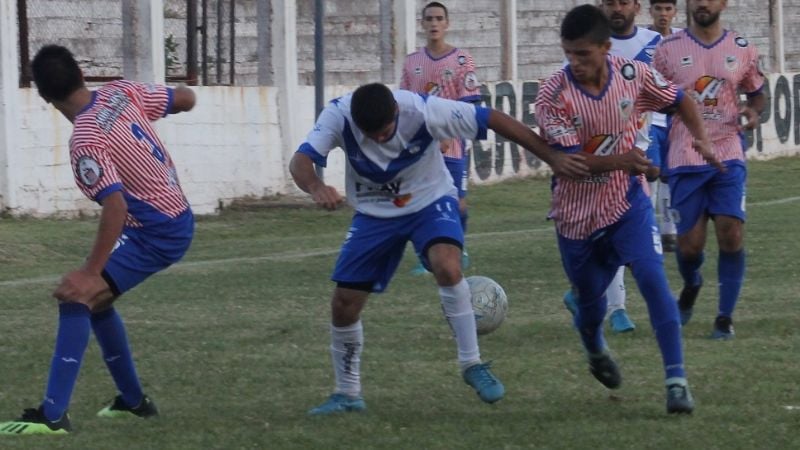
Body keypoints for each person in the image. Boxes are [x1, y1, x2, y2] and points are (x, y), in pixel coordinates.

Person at [291, 82, 588, 415]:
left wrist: (552, 157)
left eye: (384, 132)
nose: (377, 141)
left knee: (447, 264)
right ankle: (347, 394)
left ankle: (471, 363)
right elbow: (300, 160)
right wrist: (315, 185)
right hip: (375, 210)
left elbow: (492, 118)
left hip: (430, 199)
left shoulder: (424, 110)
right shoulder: (338, 114)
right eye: (368, 135)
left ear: (396, 113)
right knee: (344, 303)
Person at [0, 45, 196, 435]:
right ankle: (134, 403)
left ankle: (52, 417)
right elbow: (187, 99)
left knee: (78, 293)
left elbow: (115, 206)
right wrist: (172, 99)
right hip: (173, 216)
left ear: (43, 96)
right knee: (99, 300)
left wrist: (90, 271)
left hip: (155, 229)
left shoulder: (86, 140)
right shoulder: (120, 92)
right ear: (81, 72)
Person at [535, 4, 722, 413]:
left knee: (653, 277)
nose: (575, 63)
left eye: (583, 54)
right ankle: (595, 346)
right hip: (576, 219)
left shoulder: (632, 75)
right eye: (569, 54)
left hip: (626, 203)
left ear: (605, 48)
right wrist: (626, 160)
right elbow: (574, 164)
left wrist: (701, 138)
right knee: (590, 305)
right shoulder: (552, 94)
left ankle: (676, 380)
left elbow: (680, 100)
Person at [653, 0, 765, 339]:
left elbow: (757, 94)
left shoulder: (742, 49)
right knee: (689, 246)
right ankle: (692, 283)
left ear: (723, 3)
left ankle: (724, 318)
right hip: (686, 155)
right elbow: (653, 99)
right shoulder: (668, 50)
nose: (701, 3)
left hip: (728, 152)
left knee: (731, 231)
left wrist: (752, 112)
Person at [563, 0, 663, 334]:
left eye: (623, 2)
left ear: (636, 6)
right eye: (610, 2)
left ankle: (590, 294)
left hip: (640, 144)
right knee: (611, 225)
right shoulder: (585, 44)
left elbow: (666, 94)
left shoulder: (653, 43)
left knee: (627, 225)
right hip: (599, 154)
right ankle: (615, 307)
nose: (616, 8)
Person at [400, 1, 480, 275]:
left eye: (438, 18)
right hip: (420, 146)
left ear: (447, 24)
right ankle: (426, 256)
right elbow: (405, 105)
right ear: (422, 24)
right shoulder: (412, 62)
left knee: (456, 202)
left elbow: (469, 104)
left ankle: (460, 248)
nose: (434, 23)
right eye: (429, 19)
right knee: (420, 200)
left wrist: (449, 132)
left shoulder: (461, 60)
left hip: (452, 144)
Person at [648, 0, 682, 252]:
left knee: (671, 177)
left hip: (676, 118)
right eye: (658, 9)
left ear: (675, 12)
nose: (663, 14)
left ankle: (670, 232)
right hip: (649, 119)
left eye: (668, 9)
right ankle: (647, 230)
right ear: (650, 11)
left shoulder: (683, 39)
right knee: (649, 174)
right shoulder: (643, 40)